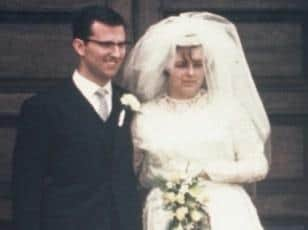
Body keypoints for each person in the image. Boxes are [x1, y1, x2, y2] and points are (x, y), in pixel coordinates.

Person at [120, 12, 271, 229]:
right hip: (167, 215)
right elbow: (132, 173)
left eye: (198, 64)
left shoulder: (228, 109)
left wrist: (208, 171)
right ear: (165, 66)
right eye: (181, 64)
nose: (191, 73)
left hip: (228, 214)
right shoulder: (146, 116)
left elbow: (258, 165)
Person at [12, 6, 140, 230]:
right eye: (106, 44)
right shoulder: (43, 108)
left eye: (121, 44)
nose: (117, 53)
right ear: (80, 46)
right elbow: (26, 191)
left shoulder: (129, 102)